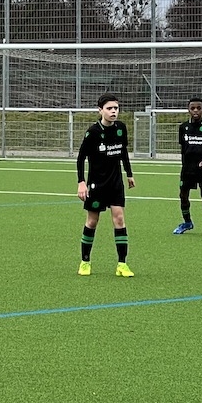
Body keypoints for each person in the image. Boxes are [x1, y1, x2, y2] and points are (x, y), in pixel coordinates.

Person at [75, 93, 136, 277]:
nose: (113, 111)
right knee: (92, 221)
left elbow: (123, 152)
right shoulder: (93, 132)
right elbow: (81, 158)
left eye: (116, 108)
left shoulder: (121, 128)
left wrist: (129, 174)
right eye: (109, 108)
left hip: (115, 182)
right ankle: (85, 261)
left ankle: (122, 264)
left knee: (119, 219)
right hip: (97, 184)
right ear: (100, 110)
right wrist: (81, 182)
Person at [172, 96, 202, 236]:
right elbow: (183, 149)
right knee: (183, 195)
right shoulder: (183, 127)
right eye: (193, 108)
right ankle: (187, 222)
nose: (196, 111)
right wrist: (184, 166)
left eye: (199, 108)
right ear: (188, 110)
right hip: (187, 168)